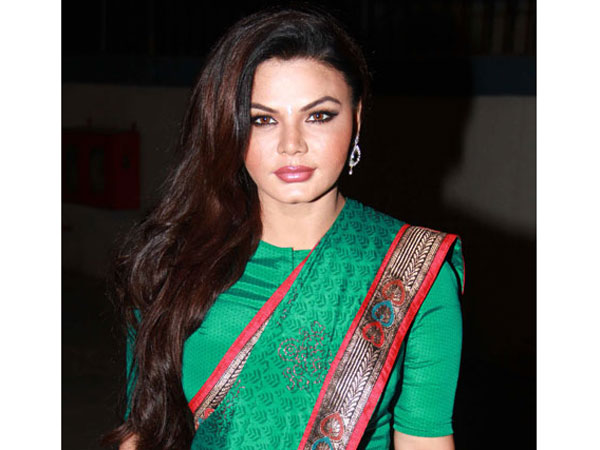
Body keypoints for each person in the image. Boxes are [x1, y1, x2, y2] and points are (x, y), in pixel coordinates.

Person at [106, 6, 464, 450]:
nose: (291, 145)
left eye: (319, 116)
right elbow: (142, 430)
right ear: (231, 127)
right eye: (263, 119)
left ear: (356, 119)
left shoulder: (413, 274)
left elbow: (425, 439)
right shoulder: (171, 264)